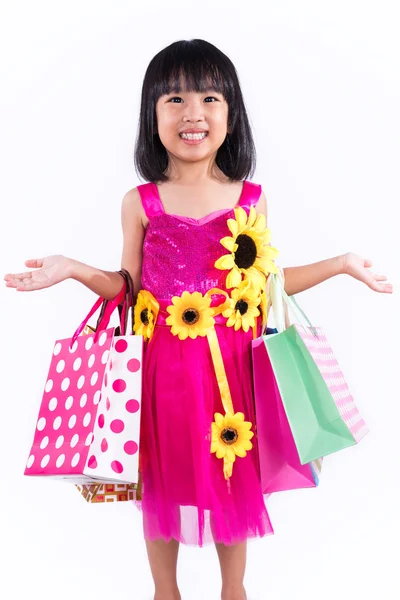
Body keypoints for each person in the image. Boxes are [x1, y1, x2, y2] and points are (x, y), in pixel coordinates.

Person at [4, 39, 393, 600]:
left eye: (210, 97)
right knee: (159, 474)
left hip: (232, 367)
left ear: (231, 114)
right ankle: (165, 591)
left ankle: (233, 589)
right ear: (151, 115)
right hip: (162, 368)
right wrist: (72, 269)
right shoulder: (141, 202)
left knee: (231, 469)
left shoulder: (248, 201)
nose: (193, 112)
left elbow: (266, 288)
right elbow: (129, 288)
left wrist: (342, 264)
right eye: (174, 99)